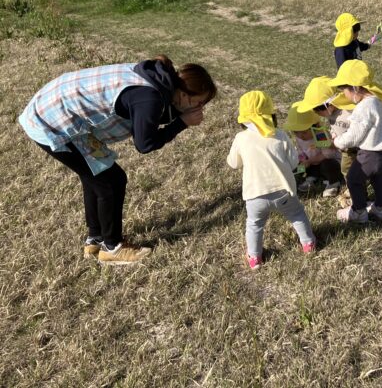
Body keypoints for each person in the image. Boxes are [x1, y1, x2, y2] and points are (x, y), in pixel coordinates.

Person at [18, 55, 216, 265]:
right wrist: (182, 123)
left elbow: (152, 115)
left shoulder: (157, 79)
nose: (201, 107)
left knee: (97, 176)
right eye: (200, 102)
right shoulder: (150, 97)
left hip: (55, 105)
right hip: (50, 120)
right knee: (110, 182)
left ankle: (96, 240)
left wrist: (178, 117)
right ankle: (112, 248)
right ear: (184, 95)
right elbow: (145, 144)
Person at [226, 91, 316, 270]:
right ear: (271, 115)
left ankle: (254, 257)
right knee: (297, 215)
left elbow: (233, 163)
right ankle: (308, 243)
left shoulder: (241, 138)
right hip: (283, 191)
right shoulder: (280, 135)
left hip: (255, 195)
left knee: (254, 224)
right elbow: (293, 162)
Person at [328, 60, 382, 223]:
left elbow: (354, 135)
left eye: (344, 90)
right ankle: (381, 208)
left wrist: (338, 142)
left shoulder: (363, 108)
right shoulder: (378, 102)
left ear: (355, 88)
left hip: (369, 154)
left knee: (353, 179)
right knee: (379, 180)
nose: (344, 94)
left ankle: (358, 212)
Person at [295, 76, 356, 204]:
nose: (315, 113)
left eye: (316, 109)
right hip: (342, 151)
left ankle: (349, 187)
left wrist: (333, 144)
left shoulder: (349, 112)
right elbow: (334, 131)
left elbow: (357, 132)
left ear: (327, 105)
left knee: (346, 168)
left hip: (353, 151)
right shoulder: (330, 114)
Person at [283, 102, 343, 197]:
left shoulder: (320, 135)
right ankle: (311, 178)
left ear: (316, 126)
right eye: (296, 132)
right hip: (313, 162)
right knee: (299, 167)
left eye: (304, 132)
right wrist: (303, 160)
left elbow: (327, 154)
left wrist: (310, 161)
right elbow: (300, 150)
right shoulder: (299, 138)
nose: (300, 136)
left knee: (327, 165)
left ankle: (333, 182)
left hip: (328, 161)